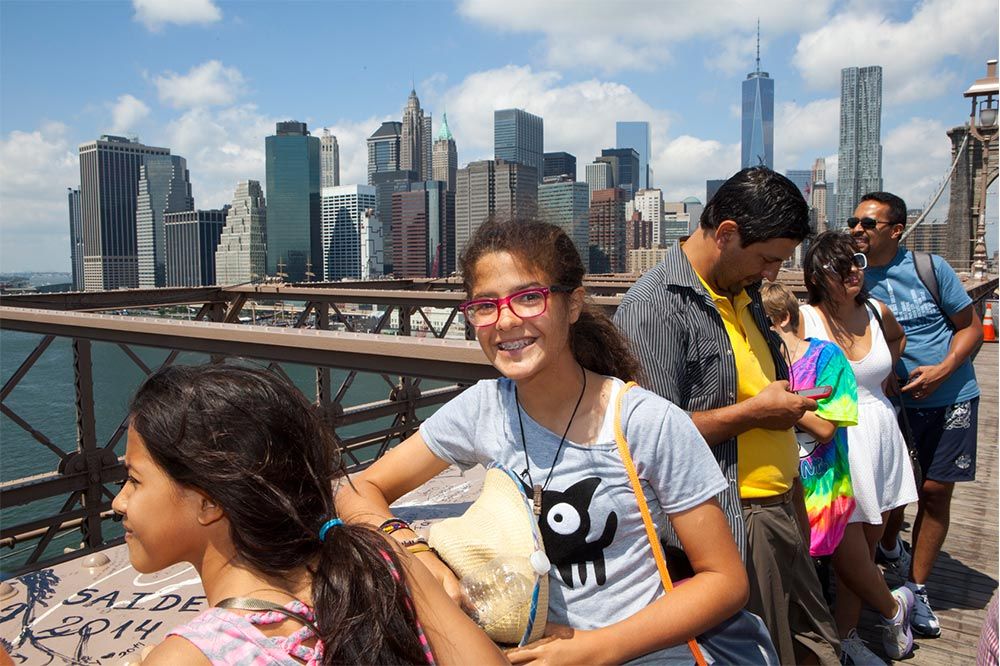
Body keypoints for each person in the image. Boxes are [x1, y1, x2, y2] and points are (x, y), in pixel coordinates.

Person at [336, 218, 752, 664]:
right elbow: (358, 489)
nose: (506, 321)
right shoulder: (484, 406)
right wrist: (415, 551)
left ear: (573, 304)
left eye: (529, 298)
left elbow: (725, 580)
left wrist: (597, 647)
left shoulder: (644, 422)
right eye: (485, 306)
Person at [112, 364, 505, 666]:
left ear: (208, 502)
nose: (119, 502)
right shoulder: (381, 563)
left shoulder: (192, 656)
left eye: (134, 480)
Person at [614, 166, 841, 665]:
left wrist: (776, 404)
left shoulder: (742, 292)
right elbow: (648, 438)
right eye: (767, 259)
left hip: (782, 500)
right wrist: (756, 413)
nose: (771, 274)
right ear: (727, 234)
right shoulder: (653, 306)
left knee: (793, 637)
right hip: (735, 517)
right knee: (759, 648)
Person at [852, 191, 983, 638]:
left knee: (934, 491)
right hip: (894, 403)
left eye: (869, 224)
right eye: (854, 222)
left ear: (895, 229)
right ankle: (890, 546)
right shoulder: (854, 276)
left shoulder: (931, 269)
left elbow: (969, 326)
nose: (858, 229)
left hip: (952, 396)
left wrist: (945, 370)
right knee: (894, 490)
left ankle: (918, 587)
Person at [799, 232, 919, 663]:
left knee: (866, 545)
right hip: (835, 439)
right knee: (842, 548)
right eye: (840, 266)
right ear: (817, 275)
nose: (853, 272)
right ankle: (892, 607)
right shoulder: (804, 318)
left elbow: (898, 340)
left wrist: (879, 379)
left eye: (857, 262)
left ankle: (849, 636)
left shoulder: (876, 310)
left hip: (881, 432)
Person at [759, 281, 857, 560]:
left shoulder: (827, 357)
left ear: (784, 318)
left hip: (823, 496)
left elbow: (826, 428)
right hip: (779, 496)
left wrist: (785, 404)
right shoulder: (761, 365)